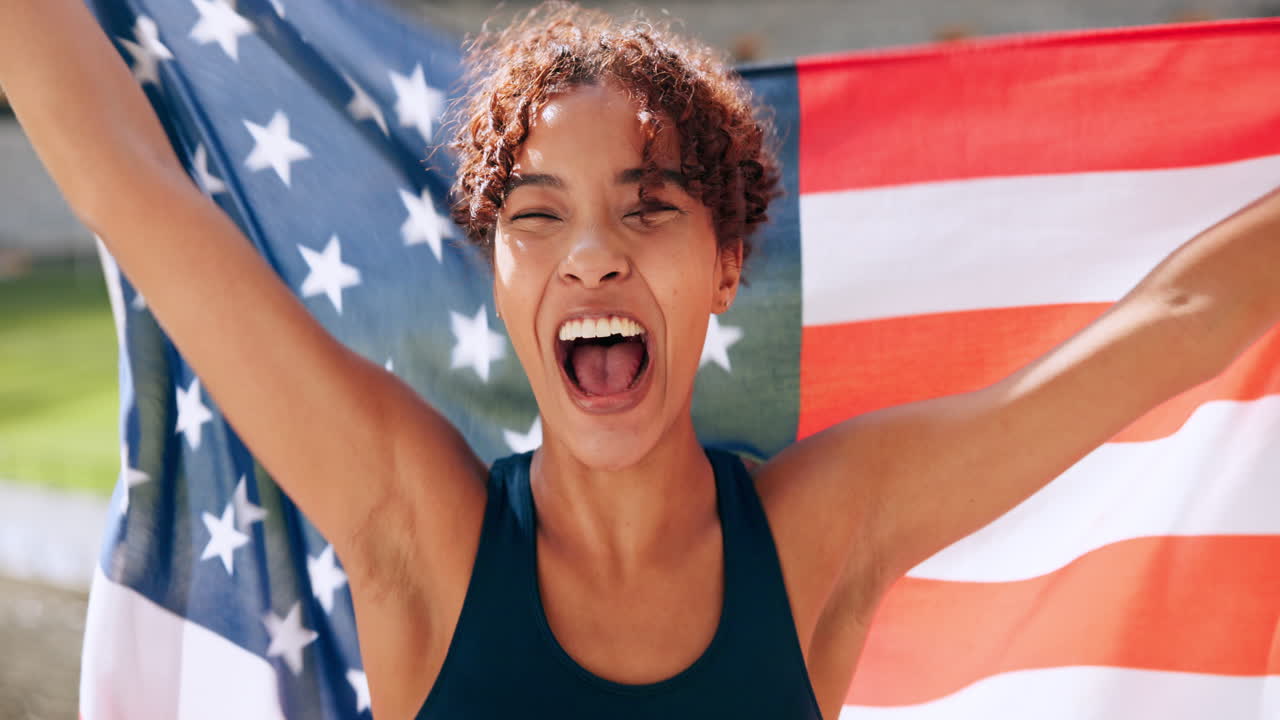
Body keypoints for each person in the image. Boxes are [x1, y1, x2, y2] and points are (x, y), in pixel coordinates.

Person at [3, 1, 1278, 718]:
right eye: (537, 214)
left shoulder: (820, 531)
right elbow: (134, 190)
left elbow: (1170, 323)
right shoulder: (418, 527)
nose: (592, 254)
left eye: (648, 205)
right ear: (499, 273)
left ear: (725, 262)